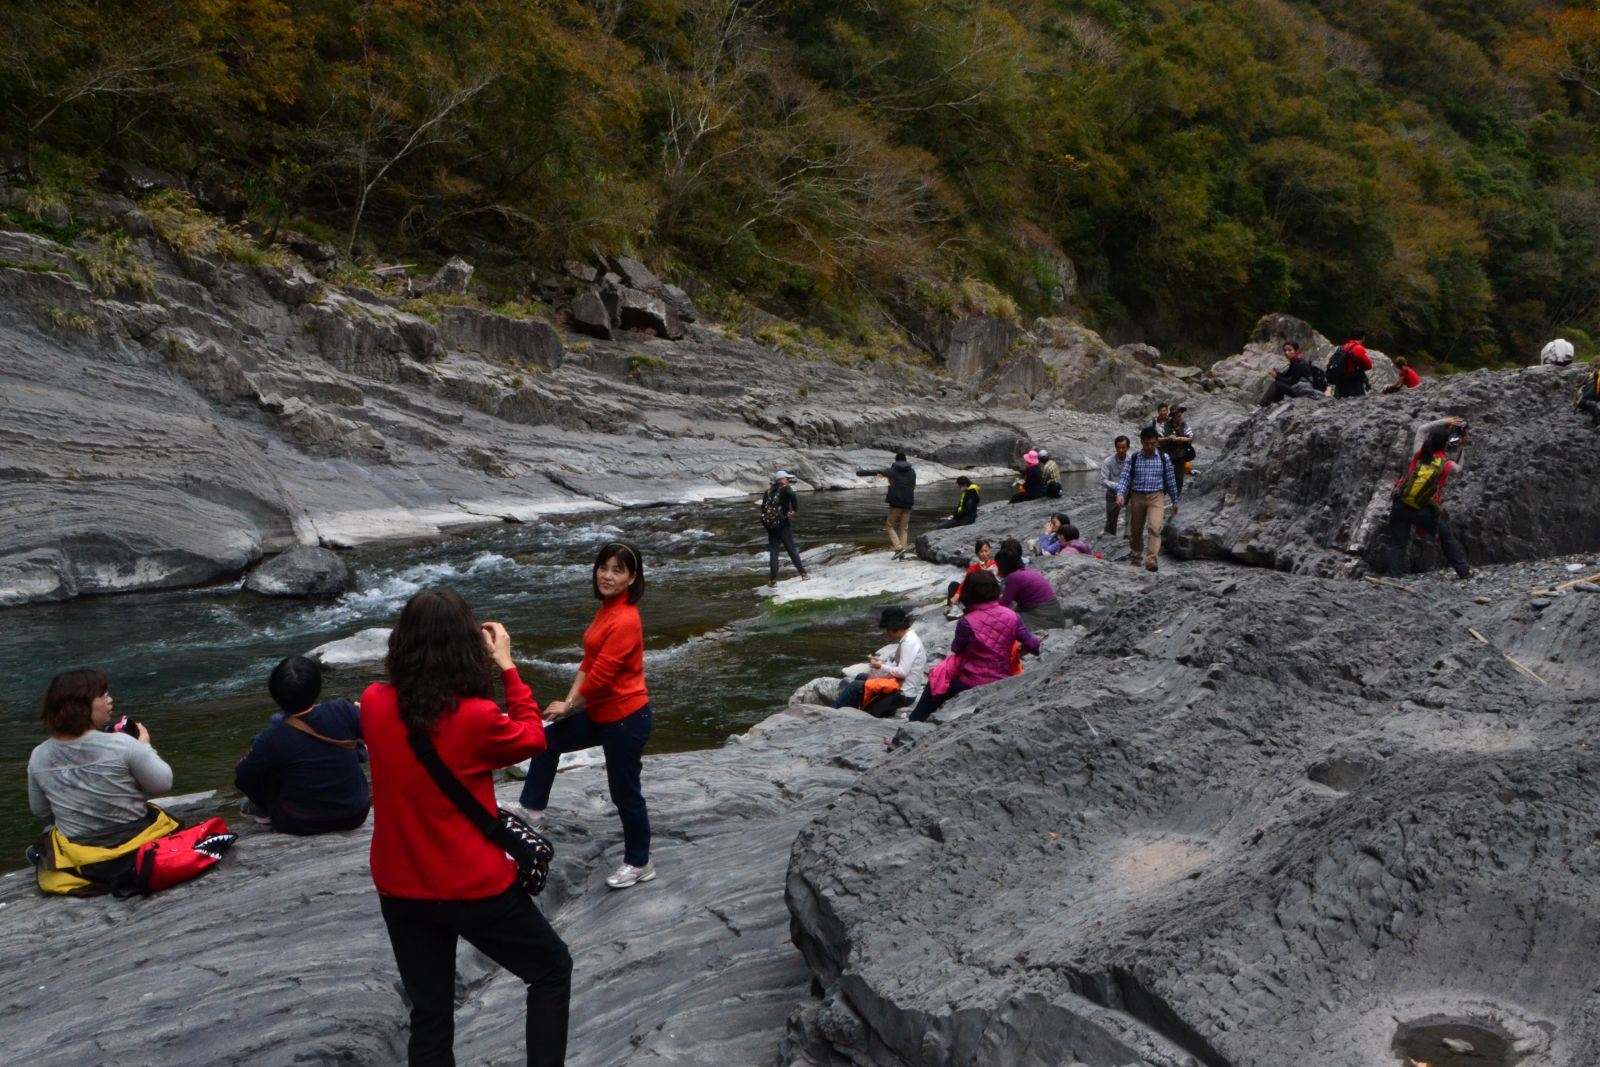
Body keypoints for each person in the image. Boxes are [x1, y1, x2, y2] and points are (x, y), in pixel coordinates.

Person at [361, 589, 570, 1067]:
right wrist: (507, 666)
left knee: (430, 1014)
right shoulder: (477, 718)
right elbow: (533, 737)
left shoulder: (372, 702)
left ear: (401, 642)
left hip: (401, 887)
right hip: (473, 887)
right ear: (468, 647)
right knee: (551, 969)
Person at [518, 542, 655, 889]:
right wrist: (568, 702)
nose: (607, 576)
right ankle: (532, 812)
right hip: (602, 714)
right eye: (603, 568)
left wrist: (570, 706)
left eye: (617, 570)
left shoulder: (625, 619)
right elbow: (588, 663)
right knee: (546, 740)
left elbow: (602, 676)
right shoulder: (608, 609)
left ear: (632, 578)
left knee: (625, 793)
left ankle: (640, 863)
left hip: (626, 719)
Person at [28, 670, 174, 846]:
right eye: (103, 696)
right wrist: (145, 746)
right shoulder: (122, 744)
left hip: (79, 850)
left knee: (45, 836)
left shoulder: (39, 755)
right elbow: (162, 783)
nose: (110, 700)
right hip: (133, 844)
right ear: (80, 705)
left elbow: (41, 811)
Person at [234, 655, 369, 835]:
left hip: (302, 822)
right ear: (317, 687)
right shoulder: (342, 709)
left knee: (260, 760)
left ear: (275, 694)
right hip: (356, 813)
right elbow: (374, 734)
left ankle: (263, 810)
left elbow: (243, 777)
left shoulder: (272, 736)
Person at [909, 571, 1041, 722]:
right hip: (1004, 679)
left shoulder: (966, 622)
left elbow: (957, 648)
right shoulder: (1012, 615)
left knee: (935, 682)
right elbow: (1033, 646)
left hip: (972, 682)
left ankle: (913, 723)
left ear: (968, 593)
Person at [1387, 417, 1472, 580]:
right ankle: (1463, 571)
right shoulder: (1446, 465)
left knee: (1398, 544)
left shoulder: (1419, 453)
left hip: (1400, 503)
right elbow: (1459, 468)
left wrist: (1444, 421)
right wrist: (1462, 445)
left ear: (1430, 440)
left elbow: (1421, 429)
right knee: (1446, 537)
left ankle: (1394, 576)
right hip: (1423, 510)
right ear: (1445, 444)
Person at [831, 606, 927, 718]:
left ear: (893, 627)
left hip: (903, 695)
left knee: (855, 686)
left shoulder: (909, 642)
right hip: (900, 687)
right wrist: (882, 663)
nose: (887, 632)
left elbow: (902, 672)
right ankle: (855, 711)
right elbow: (899, 667)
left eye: (887, 628)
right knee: (861, 676)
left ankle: (831, 714)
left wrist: (881, 666)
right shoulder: (909, 639)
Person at [1116, 425, 1180, 572]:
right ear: (1141, 442)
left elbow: (1170, 479)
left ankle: (1151, 560)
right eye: (1146, 443)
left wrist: (1175, 500)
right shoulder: (1133, 458)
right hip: (1137, 496)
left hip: (1156, 496)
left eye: (1152, 443)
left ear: (1157, 442)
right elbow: (1125, 478)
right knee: (1136, 531)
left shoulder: (1164, 458)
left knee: (1155, 528)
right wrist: (1120, 494)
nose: (1149, 446)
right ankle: (1136, 558)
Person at [856, 452, 917, 555]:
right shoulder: (912, 472)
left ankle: (898, 548)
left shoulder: (892, 471)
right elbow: (913, 486)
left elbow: (875, 471)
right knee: (904, 528)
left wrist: (860, 473)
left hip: (896, 503)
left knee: (889, 525)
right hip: (908, 503)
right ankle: (902, 553)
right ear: (906, 460)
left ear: (896, 460)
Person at [994, 547, 1067, 631]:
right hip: (1054, 612)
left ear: (1003, 566)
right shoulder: (1025, 571)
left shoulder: (1013, 577)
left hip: (1043, 616)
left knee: (1008, 623)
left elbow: (1004, 603)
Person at [760, 471, 809, 586]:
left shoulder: (768, 491)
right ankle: (803, 574)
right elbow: (792, 496)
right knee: (791, 549)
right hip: (783, 523)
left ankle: (773, 580)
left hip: (770, 525)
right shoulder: (786, 488)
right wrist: (794, 510)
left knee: (774, 552)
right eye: (787, 478)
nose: (788, 480)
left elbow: (763, 508)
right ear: (782, 479)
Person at [945, 539, 997, 618]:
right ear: (977, 554)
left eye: (986, 551)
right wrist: (957, 595)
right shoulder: (972, 568)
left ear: (990, 551)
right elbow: (964, 583)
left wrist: (983, 573)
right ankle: (953, 608)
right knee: (953, 585)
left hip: (987, 599)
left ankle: (972, 610)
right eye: (981, 552)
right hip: (973, 598)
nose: (984, 554)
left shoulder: (995, 566)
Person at [1158, 405, 1195, 493]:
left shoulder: (1184, 425)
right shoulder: (1165, 425)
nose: (1179, 415)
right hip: (1167, 454)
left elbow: (1190, 438)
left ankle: (1177, 495)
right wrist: (1168, 438)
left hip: (1180, 453)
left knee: (1179, 477)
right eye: (1177, 414)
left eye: (1180, 413)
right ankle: (1163, 493)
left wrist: (1179, 439)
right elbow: (1158, 438)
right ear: (1173, 415)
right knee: (1165, 475)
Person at [1328, 331, 1374, 398]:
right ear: (1363, 338)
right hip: (1353, 382)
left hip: (1340, 380)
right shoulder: (1358, 348)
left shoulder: (1344, 346)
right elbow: (1369, 365)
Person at [1100, 436, 1130, 535]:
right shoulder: (1108, 462)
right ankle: (1108, 537)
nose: (1120, 450)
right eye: (1118, 447)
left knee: (1131, 519)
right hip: (1113, 494)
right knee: (1110, 522)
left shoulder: (1132, 461)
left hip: (1129, 494)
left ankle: (1128, 537)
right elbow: (1103, 480)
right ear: (1115, 447)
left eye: (1123, 448)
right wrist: (1120, 486)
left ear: (1128, 448)